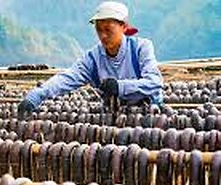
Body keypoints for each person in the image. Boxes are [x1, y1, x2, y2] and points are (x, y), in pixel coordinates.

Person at [17, 1, 164, 119]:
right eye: (99, 30)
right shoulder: (93, 58)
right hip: (114, 117)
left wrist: (120, 87)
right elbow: (67, 78)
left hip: (148, 115)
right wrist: (35, 96)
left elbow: (155, 82)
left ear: (123, 27)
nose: (103, 36)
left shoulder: (141, 48)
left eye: (108, 30)